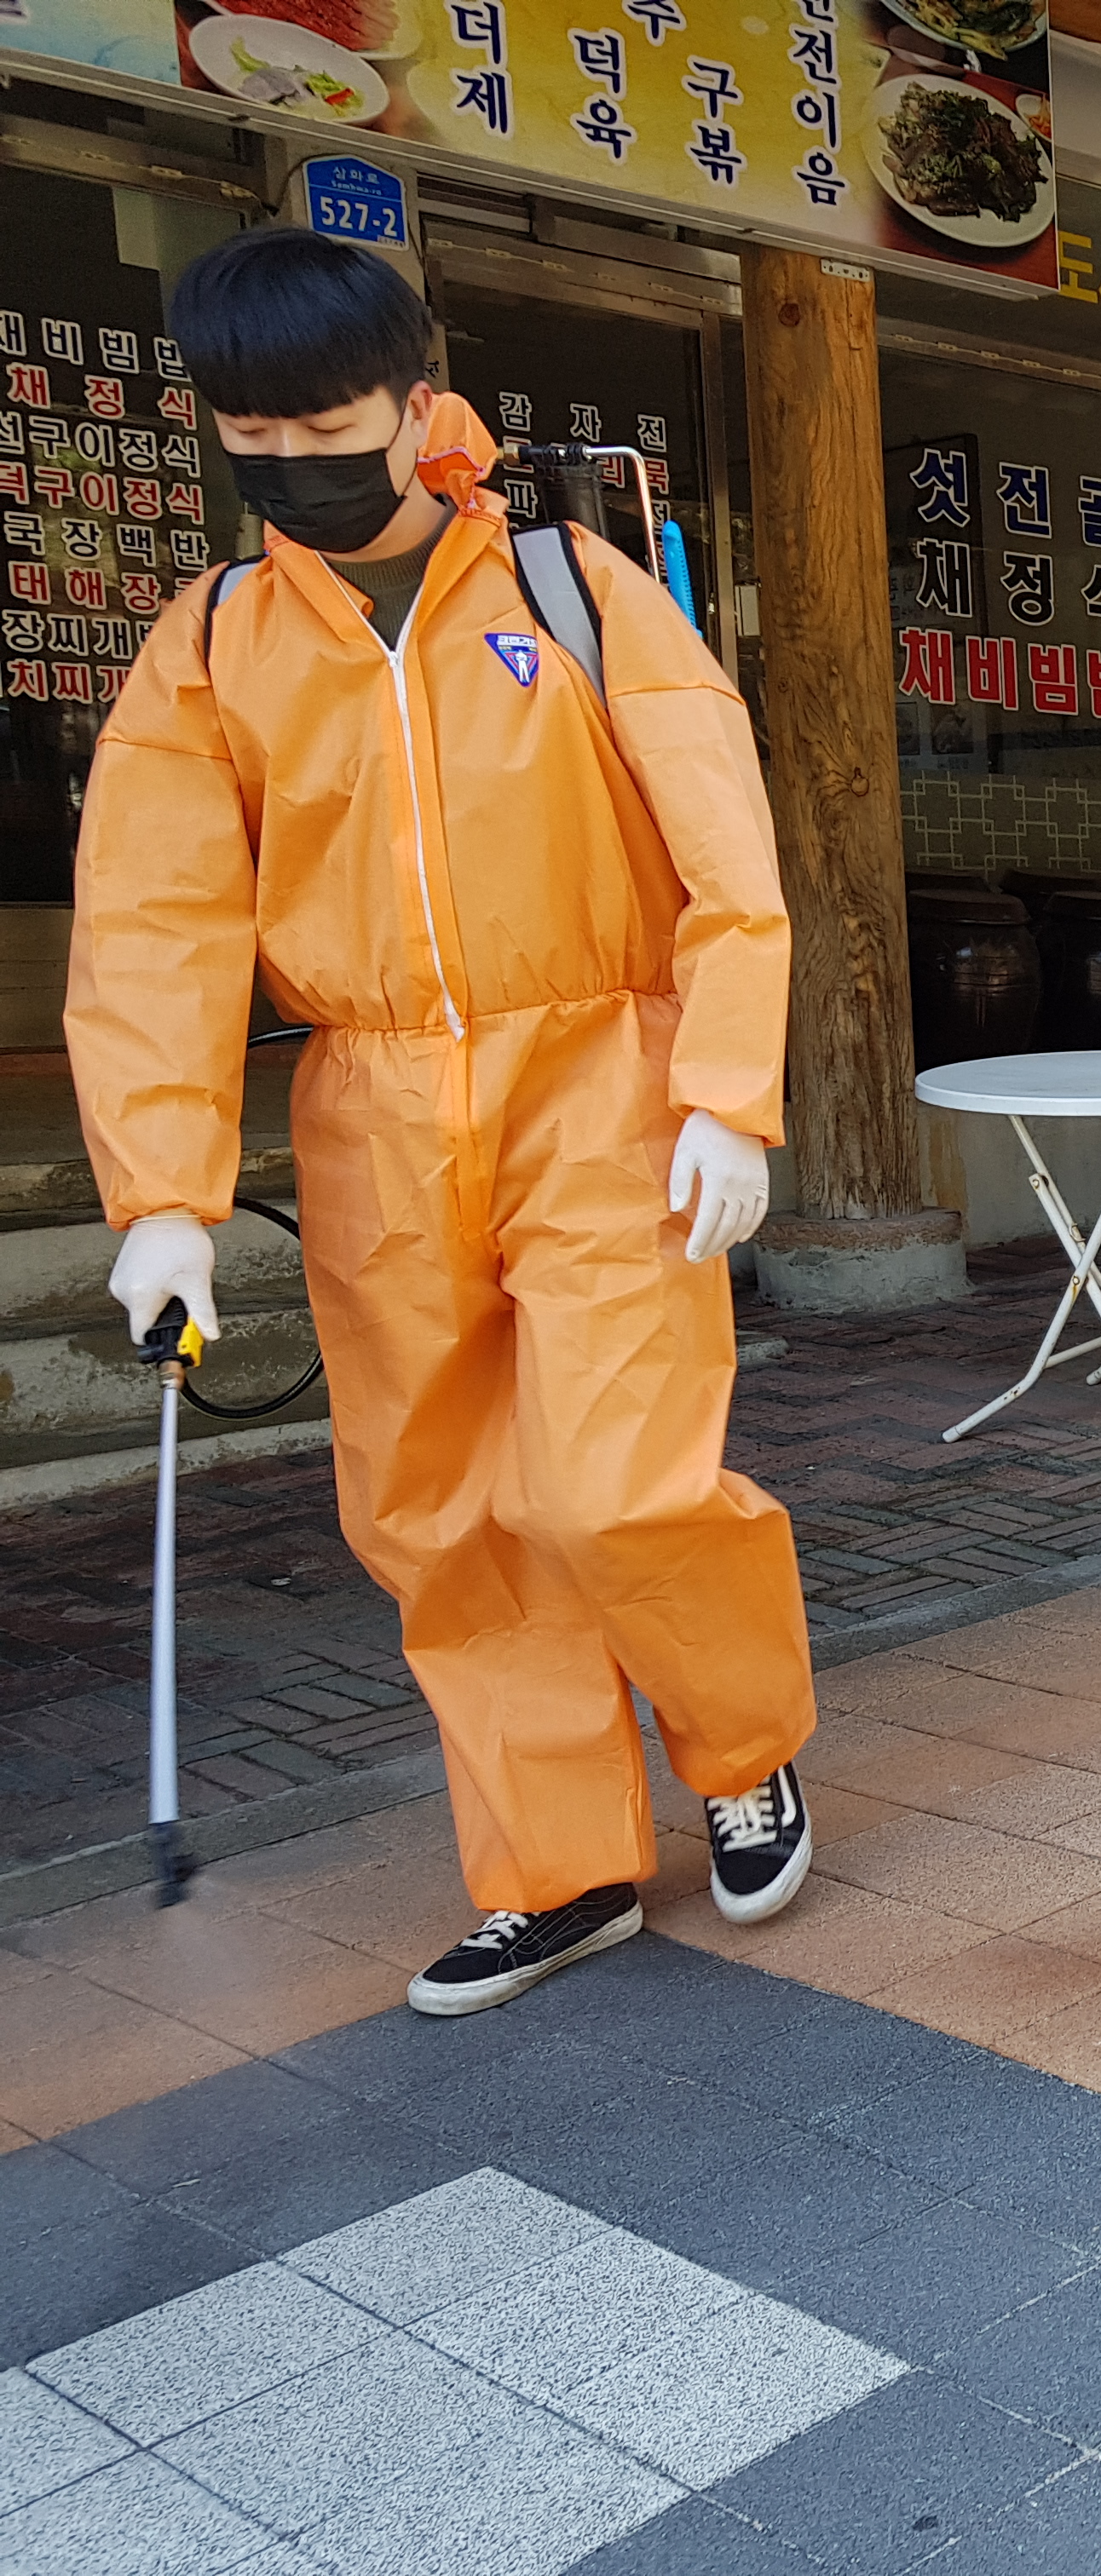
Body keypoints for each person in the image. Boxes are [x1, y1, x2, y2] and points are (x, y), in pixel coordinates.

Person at [66, 229, 814, 2015]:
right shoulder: (215, 645)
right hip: (375, 1109)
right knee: (441, 1511)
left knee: (621, 1481)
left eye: (322, 422)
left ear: (421, 400)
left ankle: (738, 1749)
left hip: (600, 1082)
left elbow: (725, 848)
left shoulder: (573, 583)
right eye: (248, 436)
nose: (290, 466)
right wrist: (161, 1197)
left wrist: (729, 1089)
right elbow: (156, 921)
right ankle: (556, 1867)